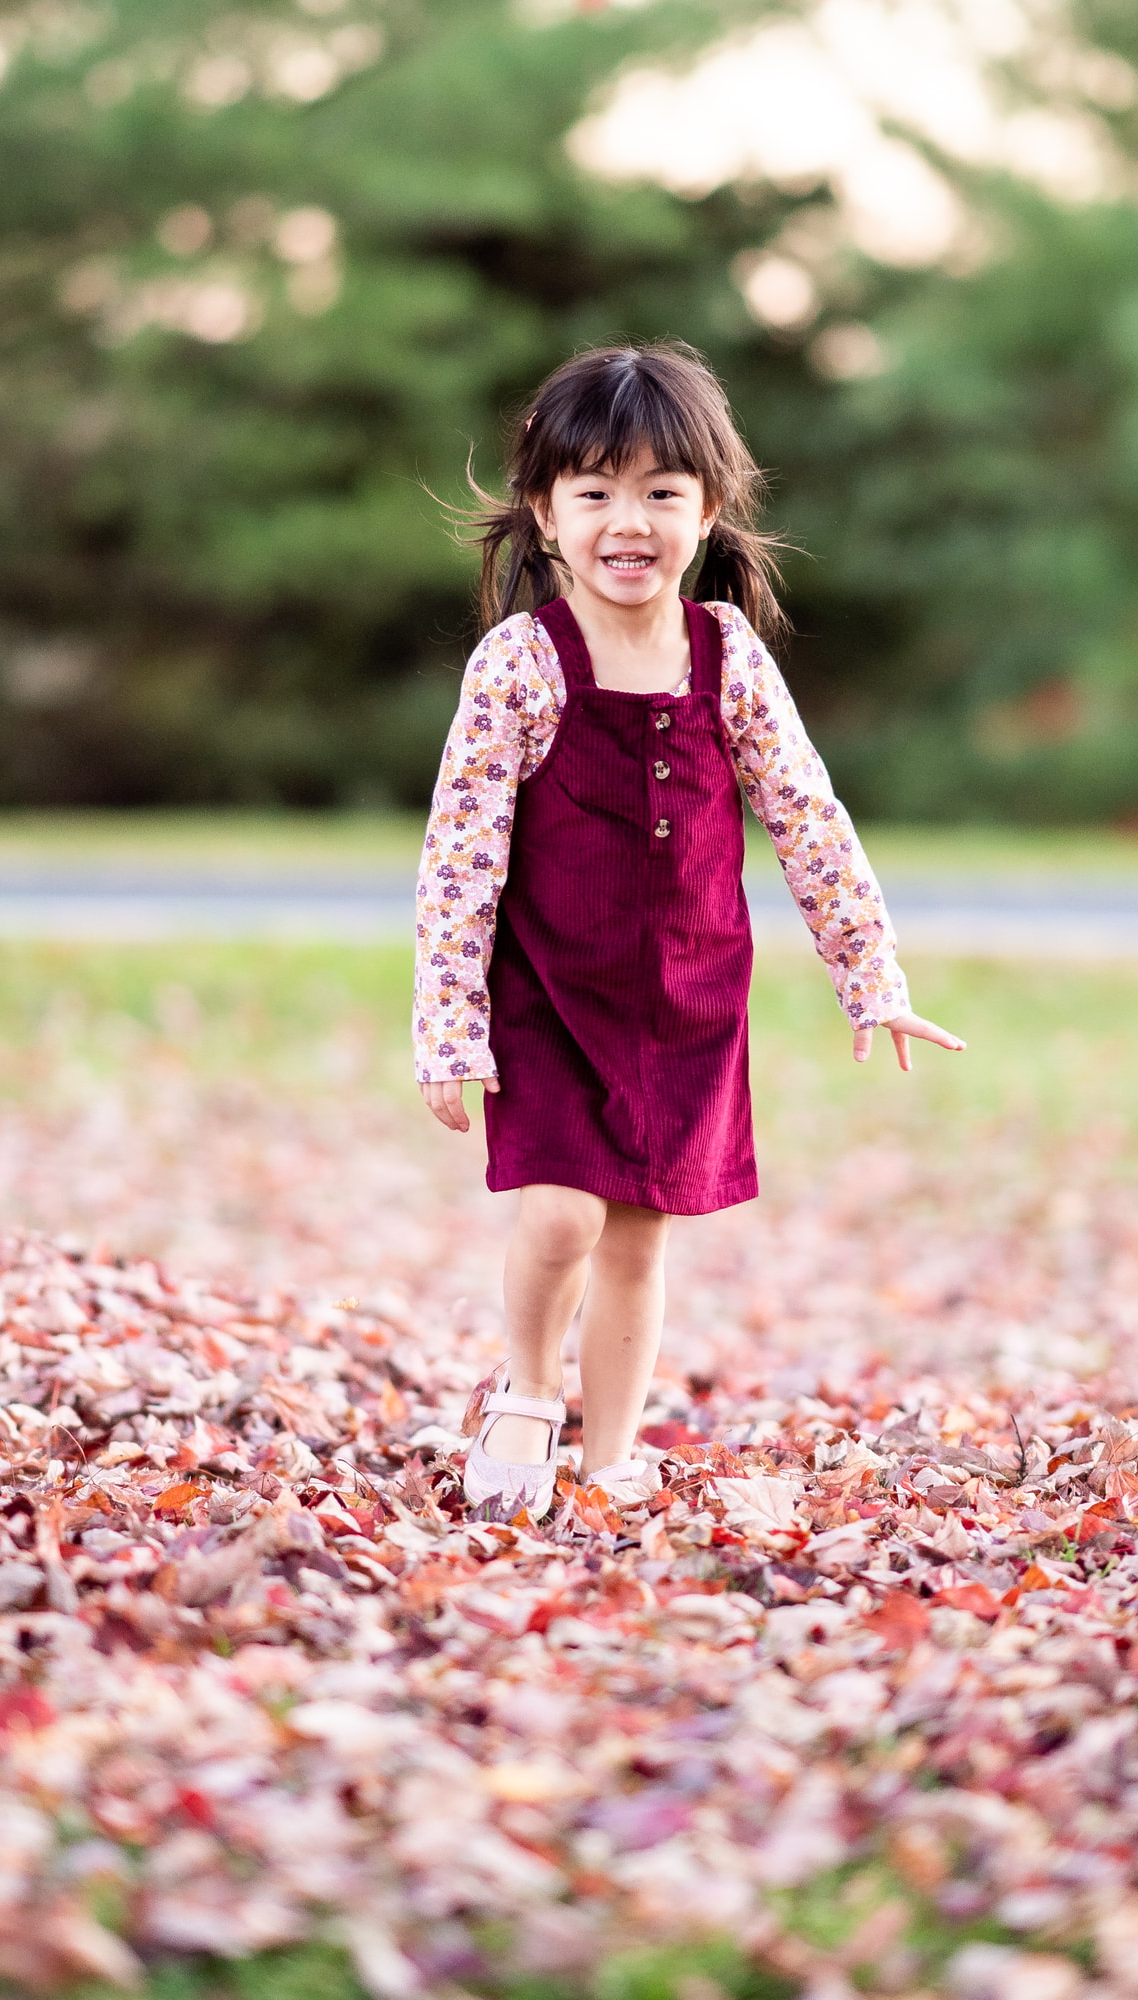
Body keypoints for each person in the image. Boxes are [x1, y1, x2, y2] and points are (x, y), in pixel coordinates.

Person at [414, 341, 964, 1519]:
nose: (629, 521)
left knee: (637, 1235)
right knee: (563, 1211)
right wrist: (449, 1024)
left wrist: (870, 972)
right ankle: (528, 1390)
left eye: (661, 492)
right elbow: (458, 861)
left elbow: (806, 816)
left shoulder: (728, 659)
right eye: (595, 492)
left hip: (684, 1000)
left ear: (707, 510)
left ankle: (609, 1456)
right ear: (545, 512)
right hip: (549, 995)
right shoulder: (521, 664)